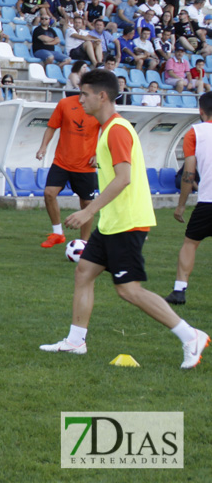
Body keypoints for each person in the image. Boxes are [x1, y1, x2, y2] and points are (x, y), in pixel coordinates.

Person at [40, 69, 209, 369]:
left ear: (102, 96)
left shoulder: (116, 129)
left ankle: (190, 335)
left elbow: (123, 179)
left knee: (128, 290)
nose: (80, 100)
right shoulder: (107, 128)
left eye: (84, 94)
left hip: (127, 222)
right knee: (84, 272)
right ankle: (76, 341)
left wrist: (88, 211)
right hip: (112, 223)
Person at [35, 92, 100, 248]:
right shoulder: (65, 103)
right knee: (49, 193)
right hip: (62, 161)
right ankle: (58, 233)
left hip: (85, 165)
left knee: (87, 202)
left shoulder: (98, 105)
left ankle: (84, 243)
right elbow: (51, 127)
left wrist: (99, 154)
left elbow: (107, 132)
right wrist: (43, 147)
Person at [169, 92, 212, 305]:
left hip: (208, 201)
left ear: (201, 111)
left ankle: (179, 290)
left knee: (190, 243)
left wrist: (181, 206)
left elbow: (189, 173)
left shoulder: (194, 132)